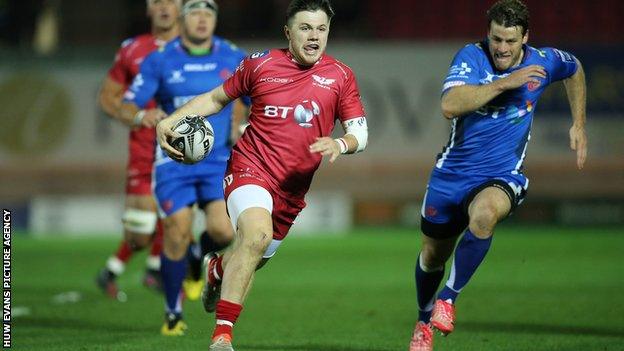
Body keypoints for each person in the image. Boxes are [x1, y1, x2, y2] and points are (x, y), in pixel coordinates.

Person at [156, 1, 369, 349]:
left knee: (253, 255)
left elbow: (360, 133)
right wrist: (170, 120)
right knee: (255, 236)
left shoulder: (340, 76)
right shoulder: (260, 64)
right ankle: (222, 335)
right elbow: (214, 99)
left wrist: (341, 144)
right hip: (249, 168)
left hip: (292, 191)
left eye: (321, 29)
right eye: (305, 28)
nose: (314, 36)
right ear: (288, 32)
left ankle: (216, 270)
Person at [408, 1, 587, 350]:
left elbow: (575, 68)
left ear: (525, 38)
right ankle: (423, 319)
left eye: (510, 41)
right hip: (451, 175)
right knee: (432, 256)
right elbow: (450, 105)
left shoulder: (545, 60)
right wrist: (506, 82)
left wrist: (578, 122)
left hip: (501, 174)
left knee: (485, 213)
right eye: (496, 39)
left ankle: (448, 299)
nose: (502, 48)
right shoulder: (470, 57)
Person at [120, 0, 248, 336]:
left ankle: (197, 262)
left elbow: (255, 99)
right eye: (195, 14)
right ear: (182, 19)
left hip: (217, 159)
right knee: (177, 229)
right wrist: (139, 115)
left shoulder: (233, 57)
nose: (203, 20)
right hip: (171, 161)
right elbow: (130, 101)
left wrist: (243, 123)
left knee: (224, 232)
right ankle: (173, 313)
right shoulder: (160, 60)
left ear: (216, 20)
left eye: (209, 14)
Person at [96, 0, 180, 300]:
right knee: (141, 234)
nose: (165, 7)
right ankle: (129, 268)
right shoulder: (132, 49)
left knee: (177, 220)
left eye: (172, 0)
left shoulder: (200, 48)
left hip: (184, 151)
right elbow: (107, 97)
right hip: (145, 149)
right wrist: (136, 116)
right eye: (157, 0)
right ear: (147, 7)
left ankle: (161, 275)